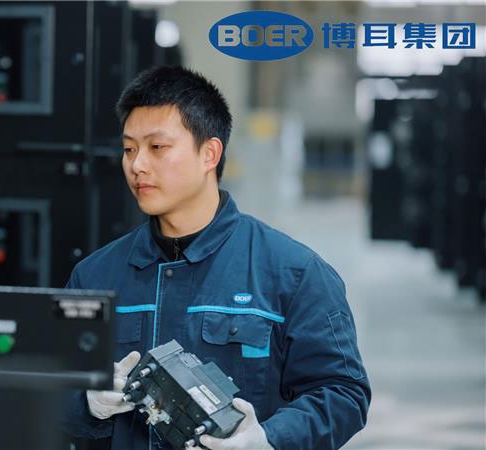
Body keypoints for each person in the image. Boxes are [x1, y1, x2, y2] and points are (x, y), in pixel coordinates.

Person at [61, 66, 370, 450]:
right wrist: (86, 403)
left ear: (209, 153)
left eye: (157, 148)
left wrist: (269, 440)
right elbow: (49, 391)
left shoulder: (293, 273)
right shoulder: (95, 276)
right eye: (129, 149)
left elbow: (343, 394)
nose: (137, 164)